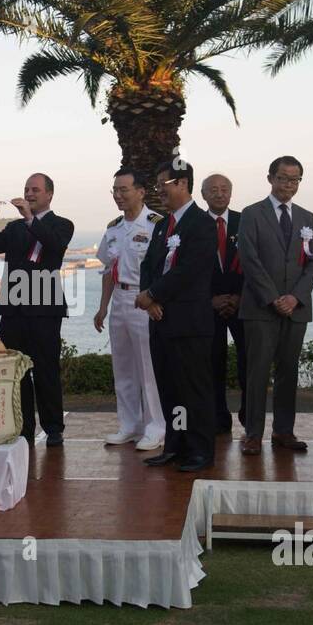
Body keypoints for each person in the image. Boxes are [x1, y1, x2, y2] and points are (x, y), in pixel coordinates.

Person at [0, 173, 75, 446]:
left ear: (49, 195)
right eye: (26, 189)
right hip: (14, 310)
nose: (29, 194)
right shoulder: (15, 227)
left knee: (46, 369)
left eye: (35, 190)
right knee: (16, 370)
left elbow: (53, 247)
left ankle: (54, 427)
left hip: (45, 309)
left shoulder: (62, 224)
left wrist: (32, 220)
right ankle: (23, 427)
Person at [236, 156, 313, 455]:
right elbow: (249, 259)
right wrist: (273, 298)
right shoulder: (251, 214)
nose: (289, 184)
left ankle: (284, 431)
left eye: (295, 179)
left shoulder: (307, 217)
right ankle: (253, 434)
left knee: (289, 371)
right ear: (270, 178)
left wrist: (295, 297)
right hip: (261, 308)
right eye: (283, 178)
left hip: (296, 309)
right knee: (257, 371)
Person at [137, 159, 217, 472]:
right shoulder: (162, 226)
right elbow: (148, 267)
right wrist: (149, 299)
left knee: (193, 389)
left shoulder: (202, 223)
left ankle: (199, 449)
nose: (159, 191)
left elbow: (190, 270)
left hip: (189, 323)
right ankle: (176, 444)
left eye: (163, 184)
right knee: (170, 389)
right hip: (161, 322)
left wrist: (154, 294)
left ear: (182, 184)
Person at [93, 166, 164, 451]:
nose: (118, 196)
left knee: (148, 368)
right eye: (115, 191)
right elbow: (110, 269)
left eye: (124, 190)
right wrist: (102, 308)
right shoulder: (114, 229)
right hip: (120, 300)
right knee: (122, 367)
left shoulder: (156, 224)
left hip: (144, 301)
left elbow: (163, 269)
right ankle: (129, 424)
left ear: (141, 191)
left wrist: (157, 300)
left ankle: (156, 426)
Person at [202, 172, 248, 434]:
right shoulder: (196, 224)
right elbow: (191, 268)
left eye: (224, 189)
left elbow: (256, 262)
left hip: (242, 303)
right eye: (213, 190)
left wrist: (239, 297)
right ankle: (218, 417)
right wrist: (211, 299)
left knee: (247, 362)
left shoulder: (246, 221)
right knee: (212, 363)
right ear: (203, 195)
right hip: (209, 305)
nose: (219, 194)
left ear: (231, 193)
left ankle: (248, 416)